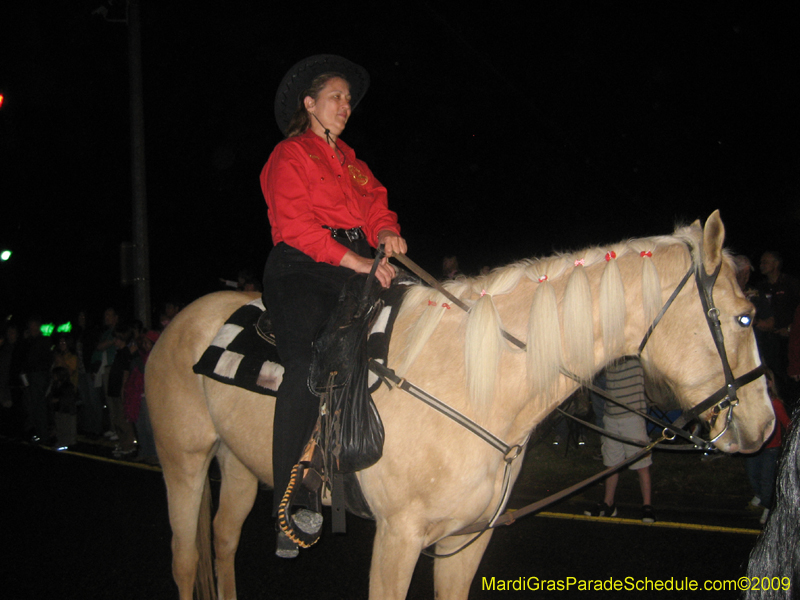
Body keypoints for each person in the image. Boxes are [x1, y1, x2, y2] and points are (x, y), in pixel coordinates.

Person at [261, 55, 406, 558]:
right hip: (301, 269)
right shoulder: (290, 155)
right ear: (310, 103)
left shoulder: (352, 162)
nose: (346, 106)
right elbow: (297, 228)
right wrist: (360, 262)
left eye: (348, 98)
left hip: (353, 266)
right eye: (336, 97)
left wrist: (386, 231)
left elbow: (374, 203)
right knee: (305, 365)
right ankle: (290, 500)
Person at [584, 357, 656, 523]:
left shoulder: (635, 357)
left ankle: (647, 506)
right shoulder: (609, 358)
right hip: (611, 417)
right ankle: (608, 504)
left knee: (642, 465)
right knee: (611, 465)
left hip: (633, 416)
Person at [745, 368, 791, 525]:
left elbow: (786, 422)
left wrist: (792, 438)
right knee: (752, 474)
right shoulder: (751, 402)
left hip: (772, 448)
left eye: (766, 381)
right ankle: (760, 495)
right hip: (754, 446)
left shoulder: (775, 403)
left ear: (771, 383)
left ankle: (768, 506)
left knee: (767, 479)